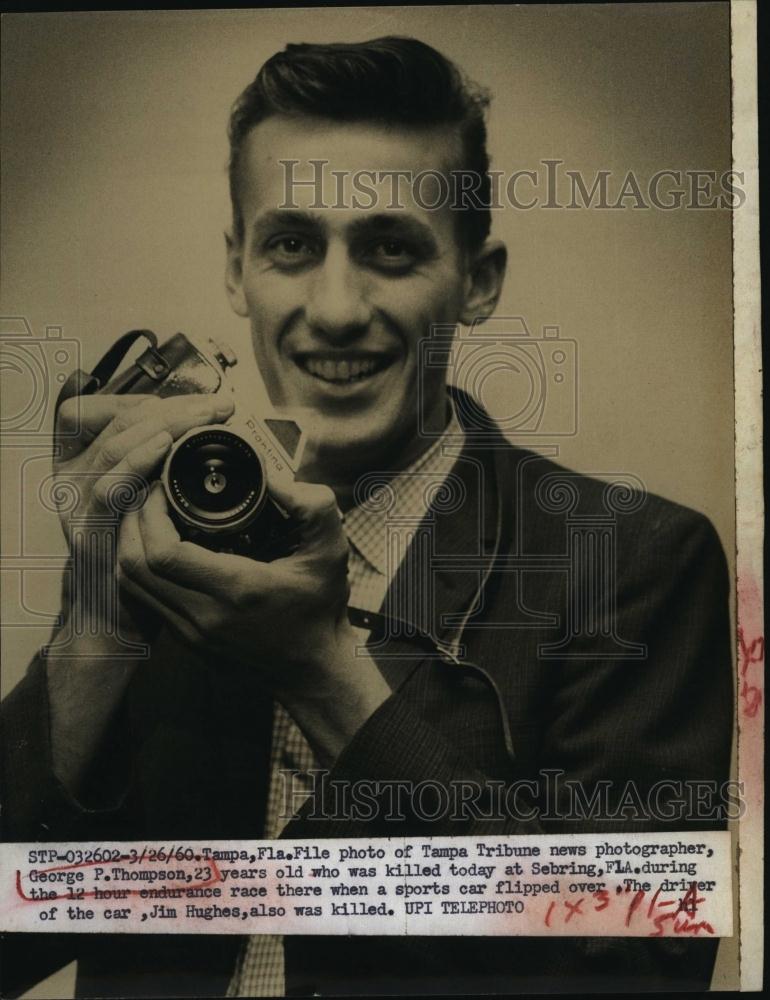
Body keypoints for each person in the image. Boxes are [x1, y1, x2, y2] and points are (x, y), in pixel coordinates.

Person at [1, 36, 732, 998]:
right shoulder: (165, 548)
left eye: (390, 249)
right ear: (238, 272)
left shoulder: (633, 562)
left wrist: (323, 671)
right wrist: (95, 620)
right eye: (293, 245)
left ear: (478, 281)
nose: (336, 310)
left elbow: (638, 970)